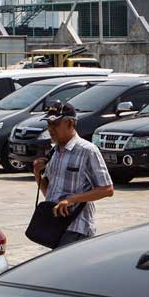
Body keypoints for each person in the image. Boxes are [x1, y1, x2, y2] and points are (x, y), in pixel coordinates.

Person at [32, 101, 114, 248]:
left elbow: (107, 189)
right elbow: (50, 193)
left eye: (55, 124)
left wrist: (71, 200)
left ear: (70, 123)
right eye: (48, 125)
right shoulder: (54, 151)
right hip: (56, 226)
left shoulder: (88, 150)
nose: (50, 129)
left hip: (77, 228)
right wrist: (37, 174)